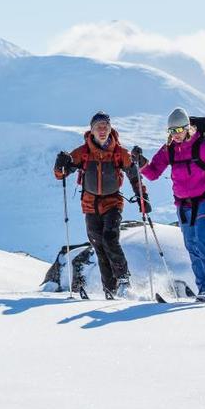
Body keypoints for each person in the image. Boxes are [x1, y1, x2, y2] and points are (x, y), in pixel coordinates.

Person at [140, 107, 205, 297]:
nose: (175, 135)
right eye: (171, 131)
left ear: (188, 128)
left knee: (202, 235)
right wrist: (141, 164)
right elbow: (153, 173)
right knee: (191, 244)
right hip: (183, 204)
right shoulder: (168, 150)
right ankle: (204, 288)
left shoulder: (203, 147)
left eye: (179, 130)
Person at [54, 111, 148, 299]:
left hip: (113, 202)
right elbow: (61, 174)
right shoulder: (83, 152)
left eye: (106, 126)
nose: (102, 130)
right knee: (99, 247)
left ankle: (123, 281)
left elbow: (136, 173)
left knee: (110, 239)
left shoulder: (119, 152)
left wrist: (142, 198)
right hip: (90, 205)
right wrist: (60, 165)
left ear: (111, 128)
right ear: (92, 130)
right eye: (99, 127)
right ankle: (110, 290)